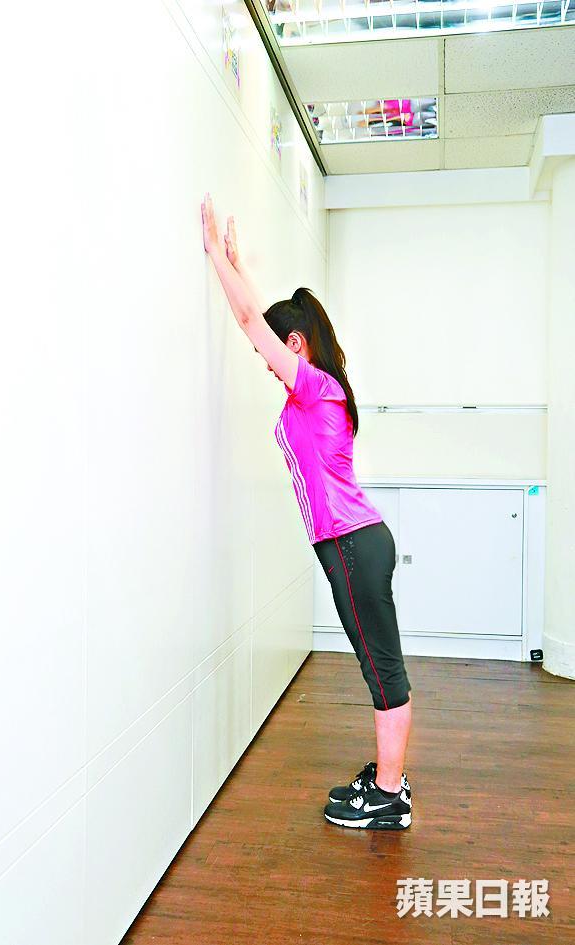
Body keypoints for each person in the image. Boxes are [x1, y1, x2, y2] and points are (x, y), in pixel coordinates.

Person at [200, 193, 413, 830]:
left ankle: (390, 796)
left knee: (382, 671)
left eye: (275, 355)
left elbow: (250, 322)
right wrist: (241, 267)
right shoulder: (321, 387)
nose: (270, 368)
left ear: (295, 344)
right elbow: (263, 321)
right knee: (379, 663)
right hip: (356, 541)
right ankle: (388, 779)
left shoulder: (313, 385)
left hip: (351, 543)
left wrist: (216, 257)